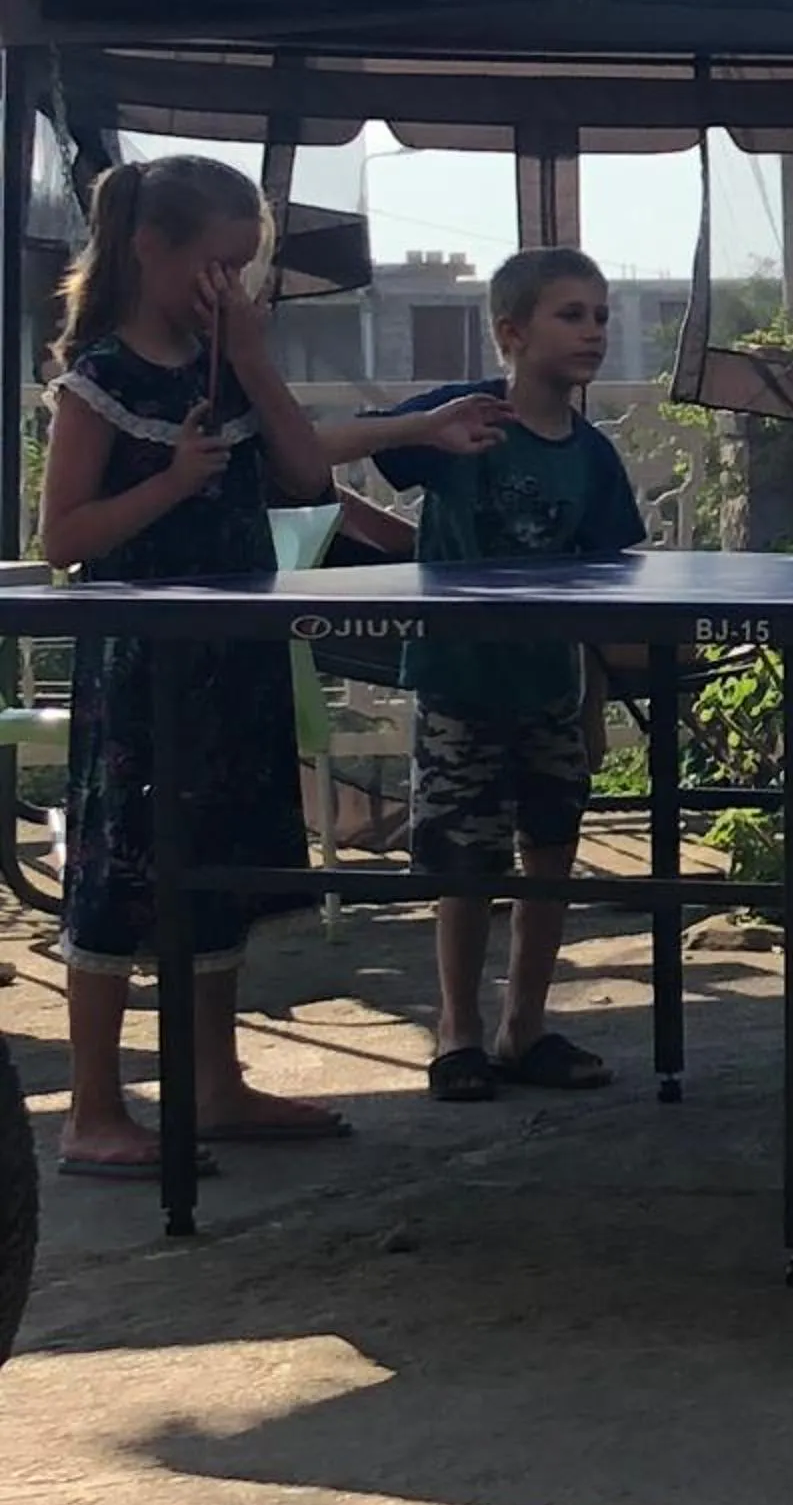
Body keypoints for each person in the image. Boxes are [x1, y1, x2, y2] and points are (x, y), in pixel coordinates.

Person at [40, 156, 507, 1178]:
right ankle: (92, 1105)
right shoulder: (99, 379)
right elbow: (63, 536)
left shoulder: (227, 365)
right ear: (151, 251)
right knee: (121, 874)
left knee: (222, 864)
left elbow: (301, 468)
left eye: (246, 273)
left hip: (237, 658)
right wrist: (170, 485)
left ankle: (214, 1084)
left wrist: (254, 360)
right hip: (143, 670)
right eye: (218, 267)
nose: (233, 290)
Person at [369, 245, 647, 1104]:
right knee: (464, 861)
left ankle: (524, 1025)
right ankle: (457, 1030)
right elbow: (333, 451)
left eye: (601, 315)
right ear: (512, 333)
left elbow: (607, 593)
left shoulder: (594, 458)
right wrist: (426, 427)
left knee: (551, 854)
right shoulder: (461, 424)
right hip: (458, 681)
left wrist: (596, 705)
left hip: (549, 689)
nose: (593, 331)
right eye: (573, 314)